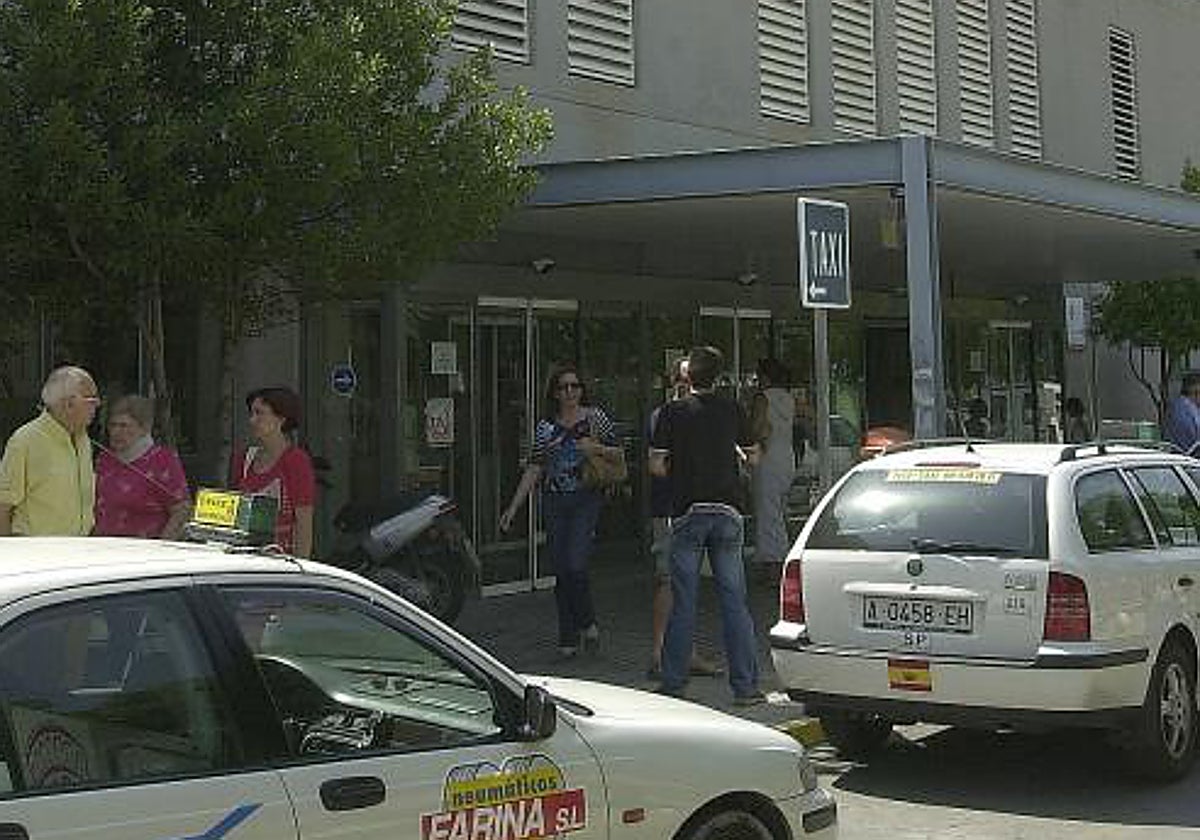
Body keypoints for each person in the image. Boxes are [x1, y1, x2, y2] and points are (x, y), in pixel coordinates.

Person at [650, 345, 765, 706]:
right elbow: (755, 455)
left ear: (687, 376)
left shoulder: (672, 412)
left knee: (684, 600)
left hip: (688, 511)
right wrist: (736, 457)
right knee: (734, 601)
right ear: (719, 376)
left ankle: (673, 684)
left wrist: (678, 469)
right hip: (728, 511)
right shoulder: (732, 408)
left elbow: (656, 464)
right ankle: (746, 688)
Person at [500, 363, 621, 657]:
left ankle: (588, 623)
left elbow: (619, 453)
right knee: (561, 569)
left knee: (576, 564)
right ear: (554, 393)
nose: (569, 392)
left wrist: (594, 449)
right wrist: (514, 506)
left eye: (575, 386)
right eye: (563, 387)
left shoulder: (595, 419)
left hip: (585, 498)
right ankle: (568, 635)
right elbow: (535, 466)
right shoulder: (546, 427)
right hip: (554, 501)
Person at [646, 358, 721, 680]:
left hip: (693, 506)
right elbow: (657, 464)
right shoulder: (667, 415)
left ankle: (683, 651)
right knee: (669, 579)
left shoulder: (691, 414)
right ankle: (662, 652)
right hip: (673, 508)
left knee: (685, 583)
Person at [0, 366, 99, 536]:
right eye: (91, 401)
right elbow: (3, 506)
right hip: (36, 555)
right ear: (68, 404)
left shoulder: (83, 439)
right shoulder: (25, 441)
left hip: (79, 550)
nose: (97, 406)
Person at [231, 387, 316, 557]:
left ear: (281, 419)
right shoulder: (243, 459)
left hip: (282, 562)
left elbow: (304, 523)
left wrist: (301, 571)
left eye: (259, 413)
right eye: (251, 413)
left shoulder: (296, 461)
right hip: (245, 558)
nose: (252, 420)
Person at [94, 395, 191, 539]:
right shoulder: (105, 459)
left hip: (144, 550)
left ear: (143, 429)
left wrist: (161, 546)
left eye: (124, 426)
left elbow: (181, 509)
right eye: (112, 425)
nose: (116, 432)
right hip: (103, 547)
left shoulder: (162, 460)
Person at [749, 357, 796, 583]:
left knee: (768, 513)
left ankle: (774, 566)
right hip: (786, 456)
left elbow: (758, 427)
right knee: (780, 511)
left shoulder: (763, 398)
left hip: (768, 457)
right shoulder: (789, 398)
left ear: (765, 377)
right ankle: (781, 560)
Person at [1164, 373, 1200, 455]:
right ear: (1196, 391)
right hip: (1190, 460)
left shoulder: (1174, 406)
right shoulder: (1190, 410)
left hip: (1175, 457)